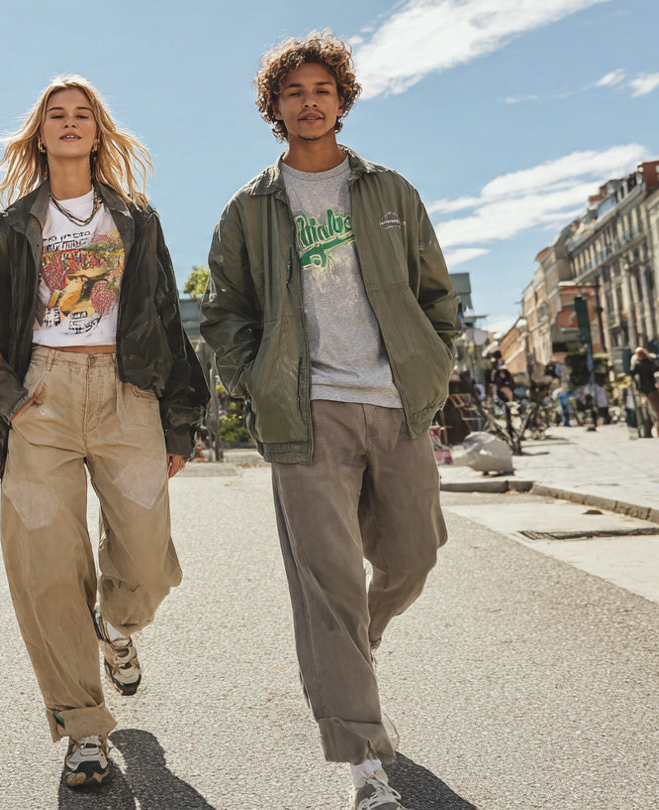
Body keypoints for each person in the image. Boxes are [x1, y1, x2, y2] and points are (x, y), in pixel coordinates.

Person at [201, 32, 459, 810]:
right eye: (292, 93)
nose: (308, 102)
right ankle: (361, 761)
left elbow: (435, 293)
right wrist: (257, 385)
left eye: (321, 90)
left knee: (416, 556)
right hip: (306, 414)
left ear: (341, 100)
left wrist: (434, 364)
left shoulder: (390, 192)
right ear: (273, 109)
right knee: (328, 585)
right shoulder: (250, 208)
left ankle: (359, 642)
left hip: (396, 402)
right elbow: (225, 315)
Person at [0, 74, 207, 790]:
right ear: (39, 134)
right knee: (43, 568)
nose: (69, 123)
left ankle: (119, 624)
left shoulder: (136, 218)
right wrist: (10, 398)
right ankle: (82, 728)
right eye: (55, 115)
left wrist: (181, 418)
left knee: (145, 555)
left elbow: (165, 319)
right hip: (43, 393)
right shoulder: (14, 228)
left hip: (127, 391)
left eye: (82, 114)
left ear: (98, 131)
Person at [632, 347, 659, 437]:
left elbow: (632, 374)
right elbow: (658, 369)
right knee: (656, 410)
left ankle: (655, 430)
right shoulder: (650, 362)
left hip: (644, 390)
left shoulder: (638, 364)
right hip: (652, 388)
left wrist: (636, 385)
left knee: (650, 411)